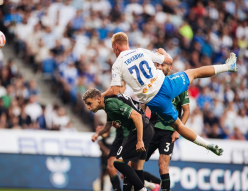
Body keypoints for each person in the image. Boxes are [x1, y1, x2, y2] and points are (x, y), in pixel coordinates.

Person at [103, 32, 235, 155]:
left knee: (178, 125)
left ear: (115, 46)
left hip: (154, 101)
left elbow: (114, 91)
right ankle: (227, 67)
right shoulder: (141, 51)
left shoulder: (117, 64)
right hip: (166, 85)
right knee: (194, 73)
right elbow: (169, 60)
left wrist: (101, 96)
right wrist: (164, 52)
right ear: (126, 43)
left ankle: (207, 145)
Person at [92, 81, 160, 191]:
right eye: (116, 88)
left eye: (121, 87)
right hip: (120, 139)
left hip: (135, 136)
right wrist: (99, 134)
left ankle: (154, 184)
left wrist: (146, 142)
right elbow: (109, 125)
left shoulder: (127, 101)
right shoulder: (111, 103)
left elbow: (140, 117)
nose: (118, 89)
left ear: (125, 88)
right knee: (112, 167)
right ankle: (146, 186)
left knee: (129, 171)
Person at [146, 62, 190, 191]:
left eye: (162, 65)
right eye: (157, 65)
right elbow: (143, 109)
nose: (159, 67)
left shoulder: (179, 86)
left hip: (169, 132)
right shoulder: (151, 84)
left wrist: (178, 130)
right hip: (152, 130)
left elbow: (186, 111)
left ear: (169, 68)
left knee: (163, 165)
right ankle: (152, 185)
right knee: (133, 165)